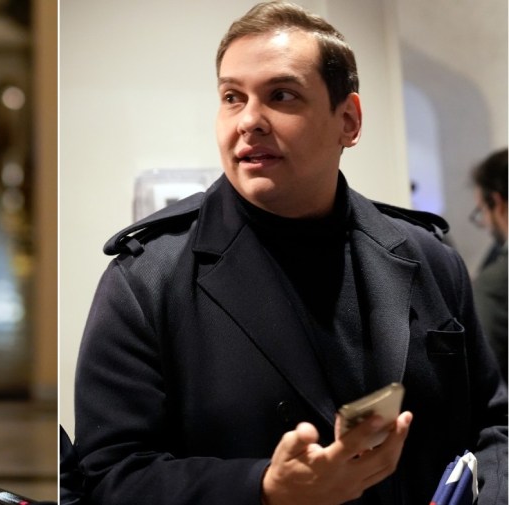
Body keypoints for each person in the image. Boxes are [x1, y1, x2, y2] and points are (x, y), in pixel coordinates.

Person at [73, 2, 507, 504]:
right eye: (232, 97)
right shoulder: (148, 277)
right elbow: (111, 474)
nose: (249, 121)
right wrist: (265, 489)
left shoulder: (430, 257)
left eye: (281, 95)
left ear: (347, 120)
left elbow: (495, 424)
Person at [470, 148, 508, 383]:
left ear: (497, 201)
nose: (484, 223)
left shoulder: (496, 283)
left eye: (482, 211)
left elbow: (481, 376)